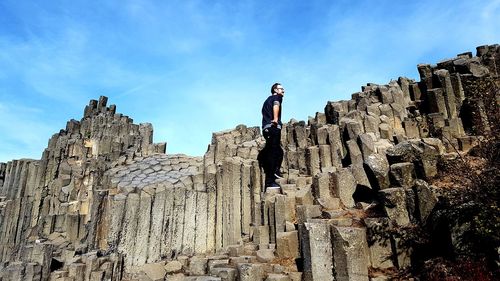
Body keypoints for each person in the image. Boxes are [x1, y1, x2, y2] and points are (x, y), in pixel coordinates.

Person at [260, 82, 285, 189]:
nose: (283, 91)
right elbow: (276, 105)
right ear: (275, 90)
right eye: (281, 89)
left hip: (267, 128)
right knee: (273, 153)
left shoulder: (266, 100)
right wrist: (275, 119)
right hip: (272, 127)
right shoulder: (277, 98)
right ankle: (270, 182)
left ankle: (275, 171)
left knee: (279, 151)